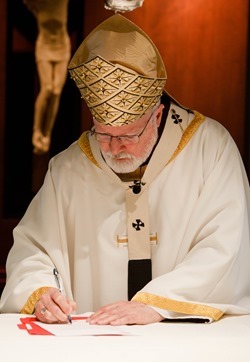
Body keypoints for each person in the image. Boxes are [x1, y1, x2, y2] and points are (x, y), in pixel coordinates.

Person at [1, 14, 250, 325]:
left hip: (186, 340)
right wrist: (41, 292)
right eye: (104, 134)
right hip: (95, 347)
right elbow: (34, 248)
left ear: (157, 116)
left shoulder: (209, 150)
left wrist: (158, 304)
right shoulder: (69, 168)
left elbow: (225, 247)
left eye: (129, 136)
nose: (115, 148)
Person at [24, 0, 71, 154]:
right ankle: (36, 131)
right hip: (44, 47)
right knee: (47, 88)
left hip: (62, 48)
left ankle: (47, 134)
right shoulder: (37, 3)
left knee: (56, 91)